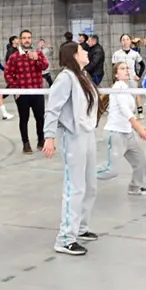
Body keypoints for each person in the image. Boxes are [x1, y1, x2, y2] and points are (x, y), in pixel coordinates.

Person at [42, 42, 99, 256]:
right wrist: (49, 137)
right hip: (72, 137)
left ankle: (81, 228)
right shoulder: (65, 78)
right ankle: (65, 238)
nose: (86, 52)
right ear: (74, 55)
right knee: (74, 187)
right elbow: (53, 109)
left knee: (90, 185)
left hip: (87, 134)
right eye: (83, 50)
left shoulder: (82, 75)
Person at [98, 61, 146, 196]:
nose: (126, 70)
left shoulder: (127, 89)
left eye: (127, 68)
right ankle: (82, 176)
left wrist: (138, 128)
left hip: (128, 134)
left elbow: (129, 114)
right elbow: (125, 111)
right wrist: (139, 128)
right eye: (122, 68)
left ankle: (134, 188)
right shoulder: (118, 87)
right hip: (115, 134)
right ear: (116, 75)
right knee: (111, 170)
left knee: (142, 163)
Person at [4, 30, 49, 155]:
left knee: (40, 118)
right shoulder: (14, 57)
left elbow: (45, 66)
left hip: (37, 91)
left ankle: (41, 140)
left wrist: (37, 59)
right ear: (20, 40)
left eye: (29, 37)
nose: (27, 40)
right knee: (24, 119)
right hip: (22, 93)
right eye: (24, 38)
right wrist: (15, 88)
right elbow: (8, 73)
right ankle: (26, 144)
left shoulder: (38, 53)